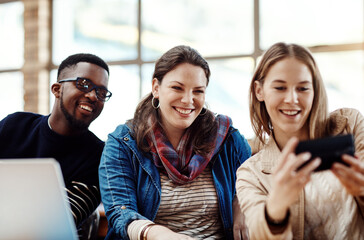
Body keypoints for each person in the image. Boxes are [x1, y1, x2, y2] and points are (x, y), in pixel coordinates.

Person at [99, 45, 251, 240]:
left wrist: (242, 203)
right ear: (156, 88)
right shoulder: (123, 143)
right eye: (177, 88)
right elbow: (120, 212)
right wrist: (158, 234)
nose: (188, 100)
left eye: (198, 91)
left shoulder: (228, 139)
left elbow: (253, 186)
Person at [236, 42, 364, 239]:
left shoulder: (350, 125)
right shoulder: (250, 174)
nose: (292, 99)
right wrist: (275, 210)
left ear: (315, 91)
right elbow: (258, 233)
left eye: (303, 88)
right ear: (259, 91)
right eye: (280, 87)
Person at [0, 53, 112, 237]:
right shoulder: (14, 125)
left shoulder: (100, 157)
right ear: (57, 89)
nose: (93, 96)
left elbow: (52, 224)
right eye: (83, 84)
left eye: (101, 92)